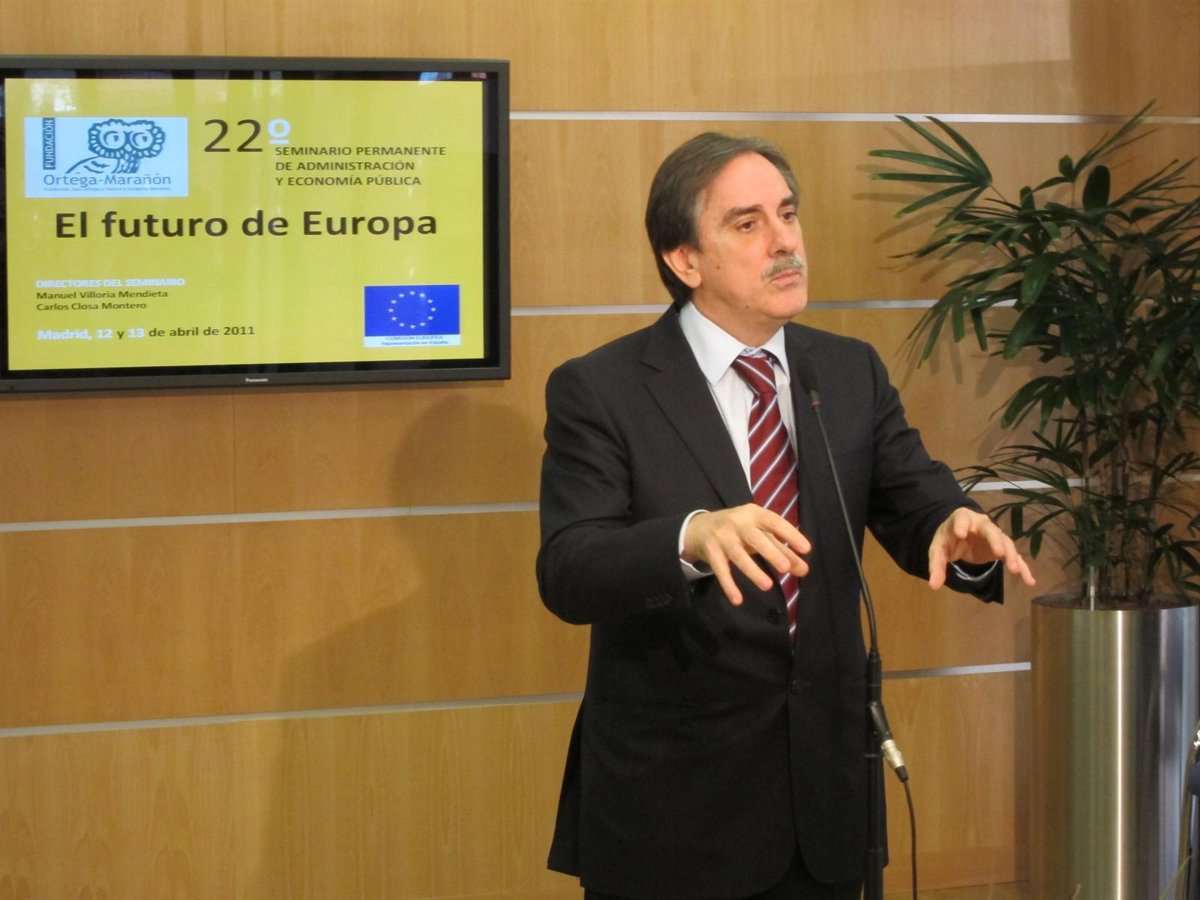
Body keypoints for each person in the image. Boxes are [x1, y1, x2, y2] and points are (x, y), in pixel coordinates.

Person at [536, 132, 1035, 900]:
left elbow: (915, 496)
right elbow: (571, 567)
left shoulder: (847, 369)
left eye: (788, 214)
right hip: (674, 815)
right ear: (685, 260)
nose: (784, 242)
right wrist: (690, 537)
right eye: (748, 224)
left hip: (827, 807)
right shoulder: (603, 389)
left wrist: (952, 527)